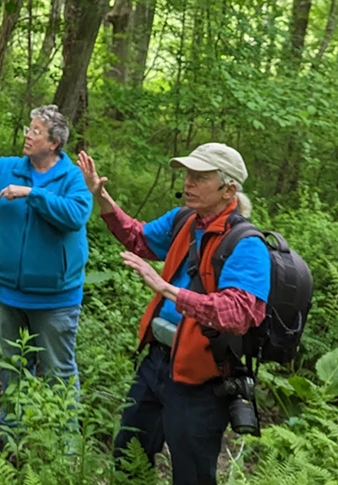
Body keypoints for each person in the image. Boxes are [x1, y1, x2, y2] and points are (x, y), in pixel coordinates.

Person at [77, 144, 271, 485]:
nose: (188, 183)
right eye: (187, 174)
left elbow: (240, 312)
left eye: (200, 177)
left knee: (192, 473)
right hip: (157, 361)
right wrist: (101, 197)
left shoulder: (246, 244)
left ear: (229, 189)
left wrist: (169, 290)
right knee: (128, 453)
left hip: (204, 377)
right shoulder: (184, 220)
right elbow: (138, 238)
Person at [0, 105, 93, 424]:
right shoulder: (7, 168)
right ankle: (11, 438)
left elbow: (76, 216)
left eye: (36, 131)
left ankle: (63, 448)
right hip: (9, 292)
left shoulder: (71, 178)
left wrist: (31, 193)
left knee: (59, 372)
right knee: (13, 367)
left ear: (54, 142)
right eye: (29, 129)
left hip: (55, 299)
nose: (28, 135)